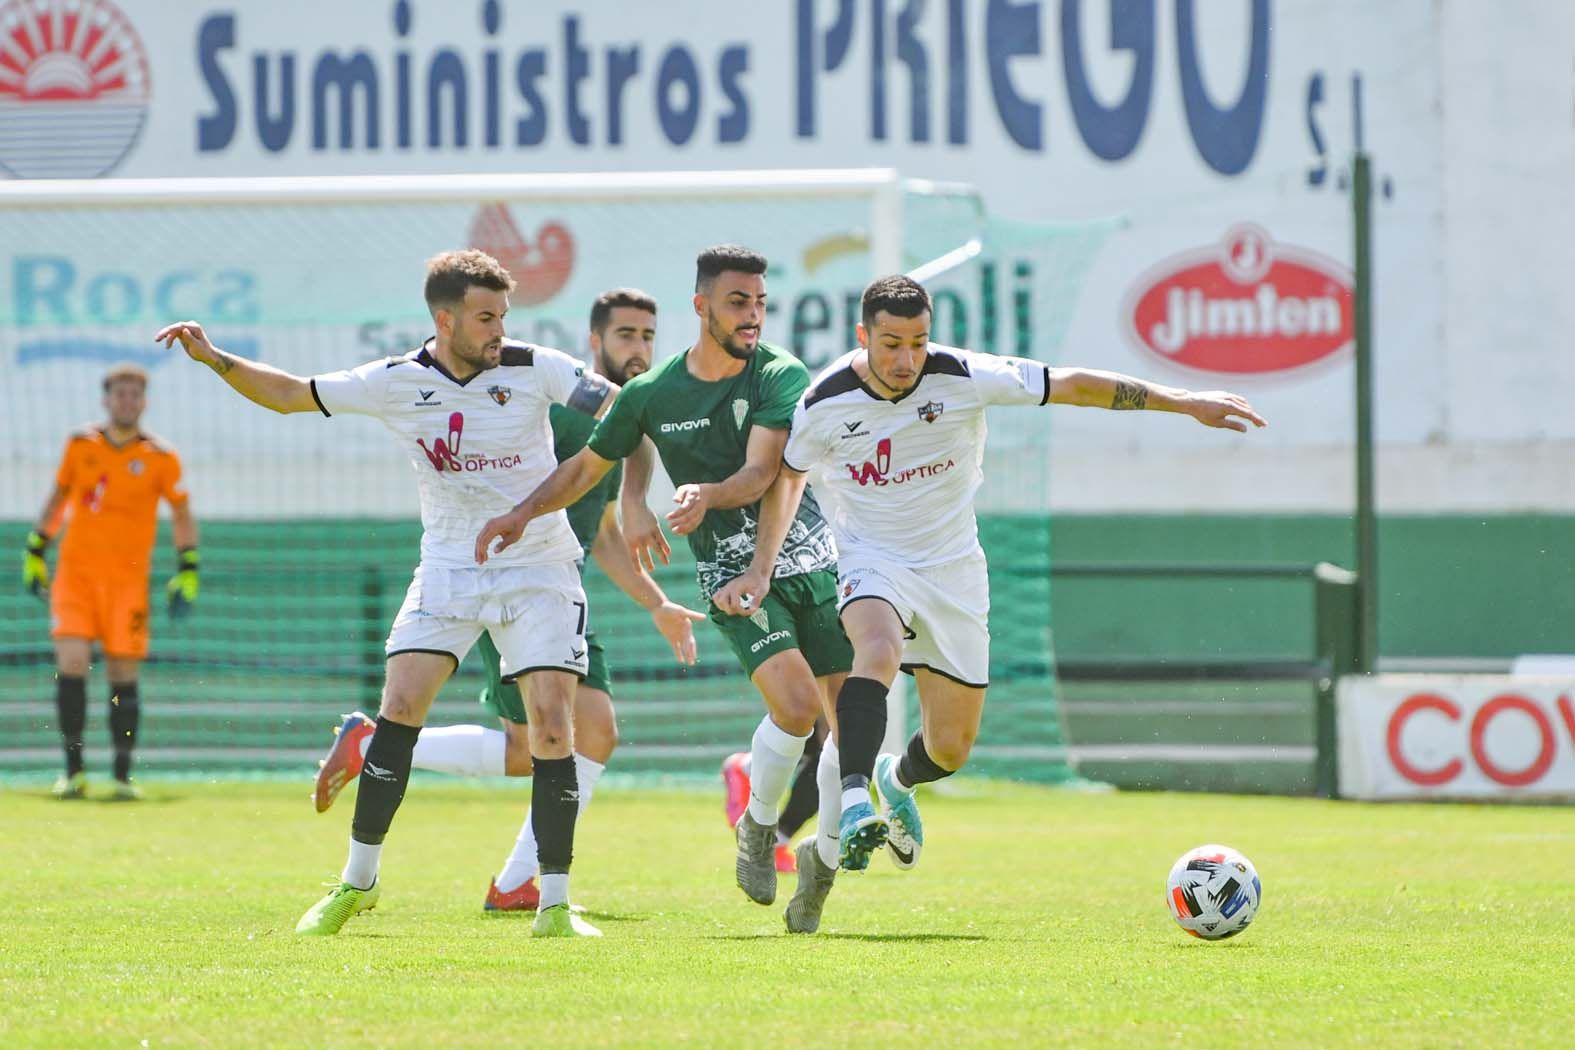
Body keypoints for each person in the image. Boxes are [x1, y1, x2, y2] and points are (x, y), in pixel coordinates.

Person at [717, 273, 1267, 931]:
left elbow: (1072, 386)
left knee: (950, 747)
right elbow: (787, 479)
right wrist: (760, 565)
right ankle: (854, 799)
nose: (905, 360)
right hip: (872, 558)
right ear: (863, 336)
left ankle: (893, 783)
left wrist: (1183, 402)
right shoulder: (824, 401)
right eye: (890, 344)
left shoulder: (964, 376)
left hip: (953, 570)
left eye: (917, 343)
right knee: (876, 649)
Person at [156, 249, 617, 938]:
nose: (498, 330)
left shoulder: (535, 366)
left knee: (552, 729)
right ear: (445, 318)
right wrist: (215, 358)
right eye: (484, 318)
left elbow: (615, 410)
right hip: (449, 568)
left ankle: (552, 905)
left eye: (503, 316)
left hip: (540, 569)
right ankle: (356, 884)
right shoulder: (396, 381)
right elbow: (288, 394)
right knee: (399, 708)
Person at [474, 245, 853, 911]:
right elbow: (592, 467)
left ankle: (813, 858)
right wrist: (523, 511)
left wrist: (702, 495)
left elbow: (764, 474)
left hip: (811, 561)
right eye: (739, 302)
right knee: (794, 709)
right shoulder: (651, 394)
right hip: (731, 573)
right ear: (702, 306)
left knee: (847, 729)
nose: (753, 315)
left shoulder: (777, 374)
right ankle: (758, 828)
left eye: (760, 303)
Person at [311, 288, 705, 912]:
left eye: (649, 336)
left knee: (581, 735)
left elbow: (597, 529)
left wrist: (655, 602)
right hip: (502, 579)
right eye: (626, 335)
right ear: (595, 341)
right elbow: (621, 450)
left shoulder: (611, 413)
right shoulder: (569, 407)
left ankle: (520, 879)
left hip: (549, 582)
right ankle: (513, 876)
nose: (640, 348)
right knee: (555, 741)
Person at [22, 363, 199, 802]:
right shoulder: (80, 445)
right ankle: (74, 772)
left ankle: (121, 776)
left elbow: (180, 511)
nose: (127, 400)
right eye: (120, 393)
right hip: (76, 578)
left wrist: (188, 567)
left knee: (123, 674)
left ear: (145, 401)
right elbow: (60, 496)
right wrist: (35, 548)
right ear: (106, 399)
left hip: (127, 584)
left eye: (134, 394)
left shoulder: (161, 456)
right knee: (73, 663)